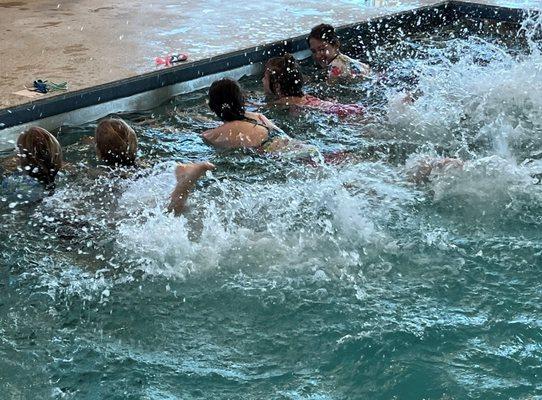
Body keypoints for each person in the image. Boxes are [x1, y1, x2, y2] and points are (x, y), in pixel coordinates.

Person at [263, 54, 365, 117]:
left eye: (265, 77)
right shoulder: (304, 96)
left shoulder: (284, 101)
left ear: (277, 86)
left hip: (334, 113)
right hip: (342, 109)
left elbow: (259, 108)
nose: (262, 80)